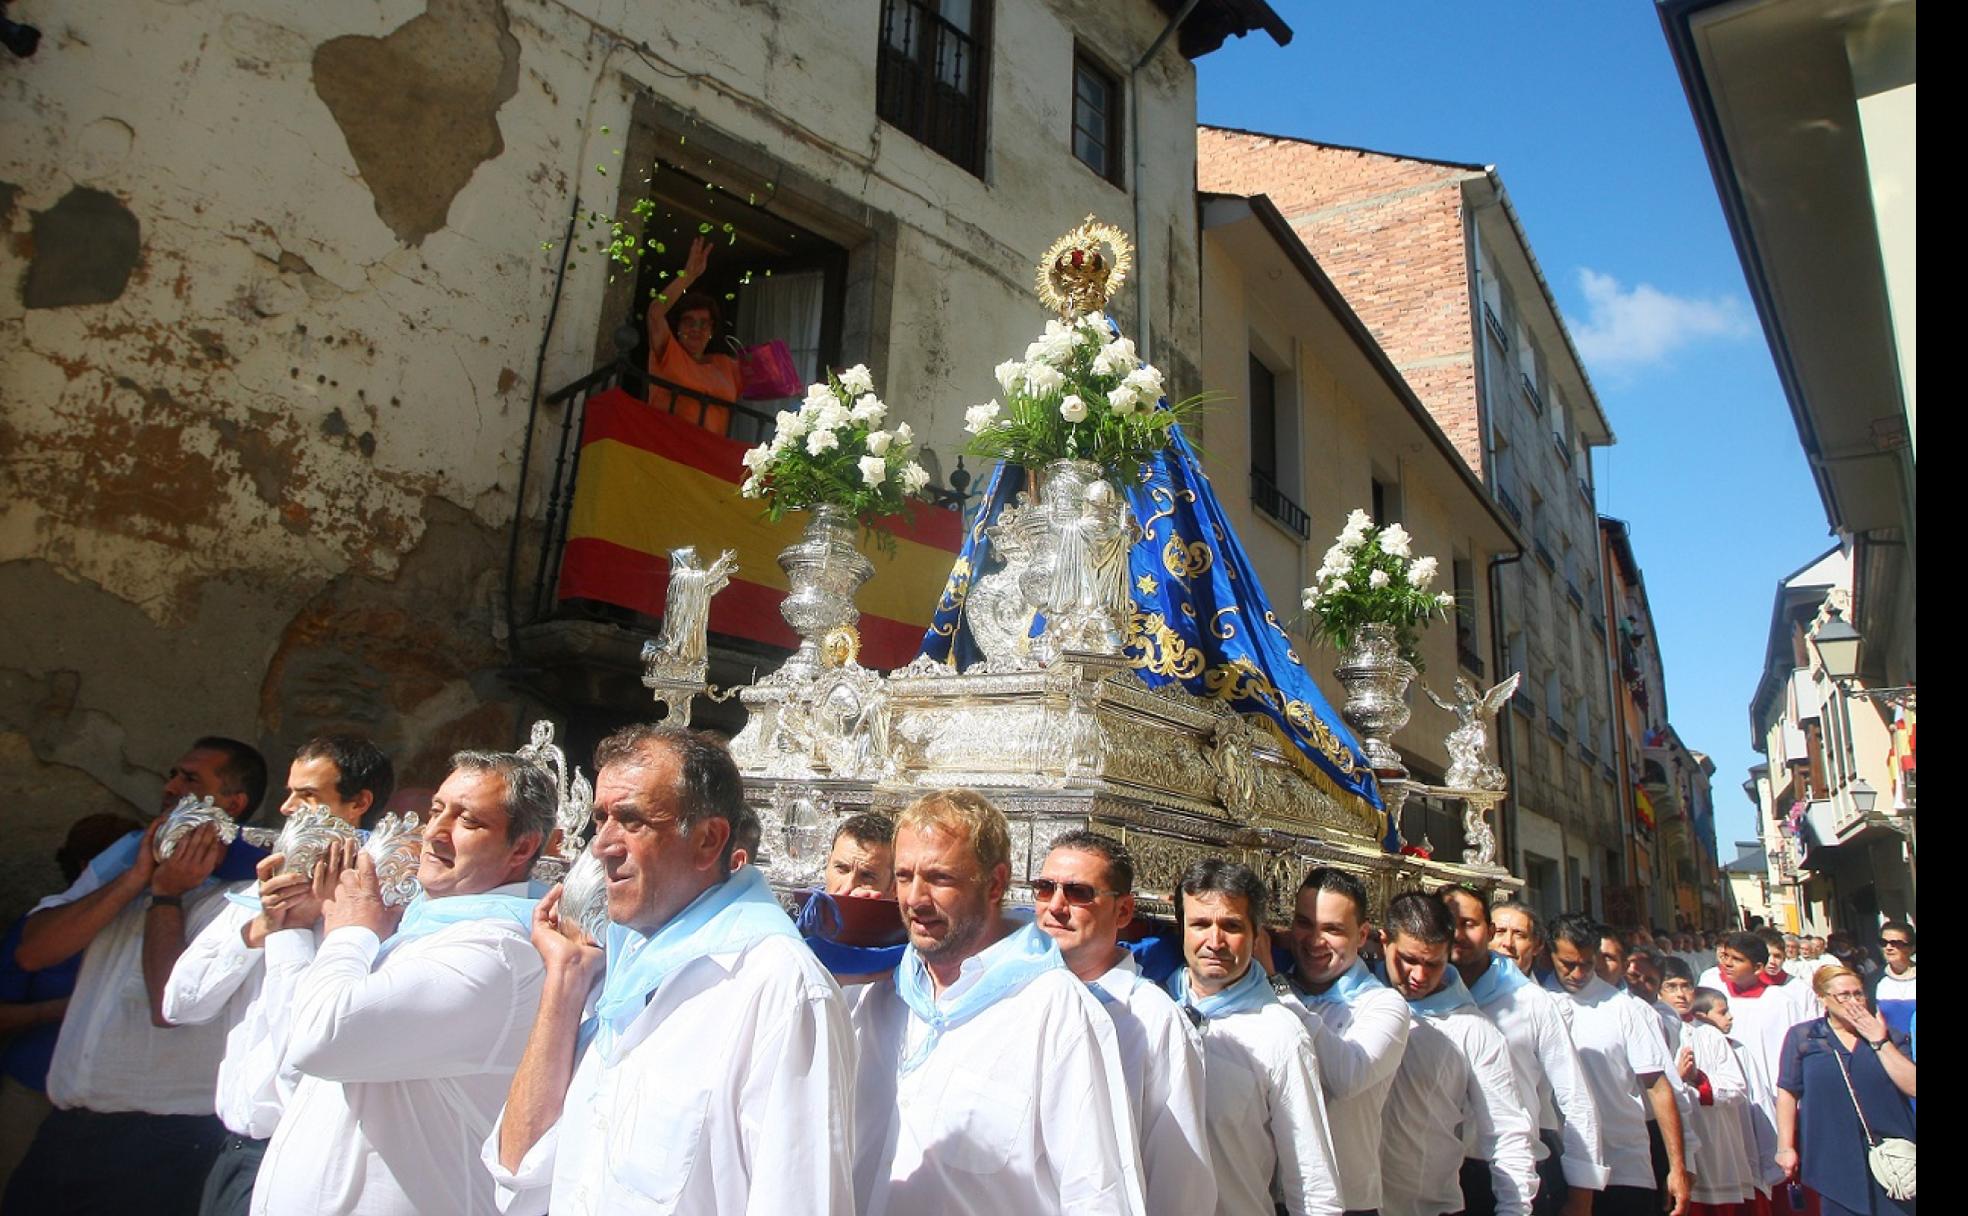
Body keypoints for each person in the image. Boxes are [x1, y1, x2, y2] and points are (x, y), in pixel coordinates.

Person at [488, 726, 855, 1214]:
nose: (603, 846)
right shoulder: (616, 969)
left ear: (708, 841)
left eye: (633, 821)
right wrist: (564, 980)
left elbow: (800, 1199)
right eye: (600, 820)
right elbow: (520, 1172)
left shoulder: (779, 988)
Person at [251, 750, 553, 1216]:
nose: (435, 831)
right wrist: (290, 927)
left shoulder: (496, 953)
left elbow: (321, 1042)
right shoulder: (417, 930)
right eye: (437, 810)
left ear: (522, 849)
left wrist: (350, 931)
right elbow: (292, 1062)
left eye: (467, 819)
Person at [4, 737, 270, 1216]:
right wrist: (133, 880)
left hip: (164, 1139)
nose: (170, 786)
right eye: (172, 773)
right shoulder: (130, 852)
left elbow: (171, 1004)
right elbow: (33, 953)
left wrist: (167, 897)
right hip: (67, 1123)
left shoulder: (251, 882)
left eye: (190, 779)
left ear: (234, 803)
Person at [849, 789, 1143, 1215]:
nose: (914, 898)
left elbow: (1097, 1193)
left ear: (996, 883)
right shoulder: (878, 994)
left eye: (939, 878)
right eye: (903, 875)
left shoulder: (1053, 1009)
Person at [163, 734, 394, 1216]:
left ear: (358, 803)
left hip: (304, 1159)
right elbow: (179, 1005)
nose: (287, 809)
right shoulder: (257, 896)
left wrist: (300, 929)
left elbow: (309, 1052)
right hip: (230, 1147)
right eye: (289, 793)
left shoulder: (379, 913)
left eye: (307, 796)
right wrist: (262, 927)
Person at [1035, 831, 1214, 1216]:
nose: (1056, 906)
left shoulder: (1155, 1020)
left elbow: (1178, 1177)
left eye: (1079, 892)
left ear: (1123, 911)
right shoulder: (1011, 997)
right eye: (1045, 888)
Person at [1169, 859, 1341, 1216]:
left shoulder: (1281, 1034)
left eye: (1231, 926)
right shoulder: (1154, 1010)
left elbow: (1313, 1182)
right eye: (1200, 924)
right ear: (1181, 928)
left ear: (1256, 934)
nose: (1214, 941)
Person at [0, 812, 142, 1192]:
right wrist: (59, 1009)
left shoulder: (146, 922)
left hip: (115, 1103)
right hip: (34, 1089)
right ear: (89, 867)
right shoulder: (45, 927)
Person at [1445, 890, 1608, 1216]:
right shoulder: (1425, 994)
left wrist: (1582, 1195)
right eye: (1449, 924)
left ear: (1486, 930)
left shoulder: (1533, 1002)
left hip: (1514, 1174)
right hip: (1441, 1175)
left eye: (1469, 924)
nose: (1458, 934)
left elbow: (1575, 1098)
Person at [1379, 893, 1537, 1216]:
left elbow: (1507, 1133)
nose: (1419, 976)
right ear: (1385, 942)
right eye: (1409, 960)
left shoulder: (1475, 1031)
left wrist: (1514, 1209)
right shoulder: (1359, 1004)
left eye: (1433, 964)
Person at [1271, 866, 1409, 1215]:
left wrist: (1275, 987)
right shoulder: (1273, 993)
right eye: (1305, 924)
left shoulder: (1383, 1005)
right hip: (1268, 1198)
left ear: (1362, 935)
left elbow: (1345, 1076)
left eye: (1332, 929)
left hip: (1347, 1203)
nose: (1315, 941)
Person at [1546, 913, 1690, 1216]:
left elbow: (1658, 1086)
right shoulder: (1537, 1001)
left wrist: (1678, 1166)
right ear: (1550, 954)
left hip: (1623, 1165)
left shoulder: (1624, 1008)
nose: (1578, 973)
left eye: (1586, 964)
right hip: (1556, 1161)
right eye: (1567, 964)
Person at [1776, 966, 1915, 1216]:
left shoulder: (1890, 1036)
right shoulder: (1805, 1037)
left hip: (1892, 1157)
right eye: (1844, 995)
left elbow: (1912, 1086)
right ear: (1823, 999)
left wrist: (1879, 1041)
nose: (1854, 1002)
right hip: (1832, 1154)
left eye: (1858, 994)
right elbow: (1787, 1092)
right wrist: (1785, 1146)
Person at [1660, 975, 1756, 1216]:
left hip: (1712, 1143)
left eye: (1686, 986)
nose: (1681, 994)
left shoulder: (1710, 1035)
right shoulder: (1650, 1027)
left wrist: (1698, 1080)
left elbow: (1736, 1088)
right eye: (1672, 987)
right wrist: (1675, 1081)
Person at [645, 235, 742, 435]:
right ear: (678, 328)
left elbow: (771, 381)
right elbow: (655, 313)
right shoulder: (669, 353)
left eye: (704, 323)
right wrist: (688, 276)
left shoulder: (725, 365)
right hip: (667, 449)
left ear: (712, 331)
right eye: (689, 322)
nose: (696, 329)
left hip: (707, 458)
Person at [1705, 931, 1812, 1105]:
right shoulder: (1713, 998)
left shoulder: (1782, 1002)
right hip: (1729, 1093)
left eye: (1737, 959)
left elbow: (1796, 1052)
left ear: (1757, 968)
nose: (1728, 964)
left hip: (1772, 1091)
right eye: (1726, 957)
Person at [825, 812, 897, 898]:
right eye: (841, 869)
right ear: (827, 864)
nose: (847, 888)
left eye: (867, 877)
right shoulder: (807, 905)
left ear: (894, 888)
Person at [1491, 901, 1553, 985]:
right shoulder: (1469, 993)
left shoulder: (1547, 997)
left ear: (1537, 945)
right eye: (1499, 932)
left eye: (1519, 934)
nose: (1508, 943)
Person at [1871, 922, 1914, 1042]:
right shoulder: (1873, 981)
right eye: (1884, 943)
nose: (1889, 947)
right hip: (1891, 1051)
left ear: (1911, 948)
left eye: (1896, 943)